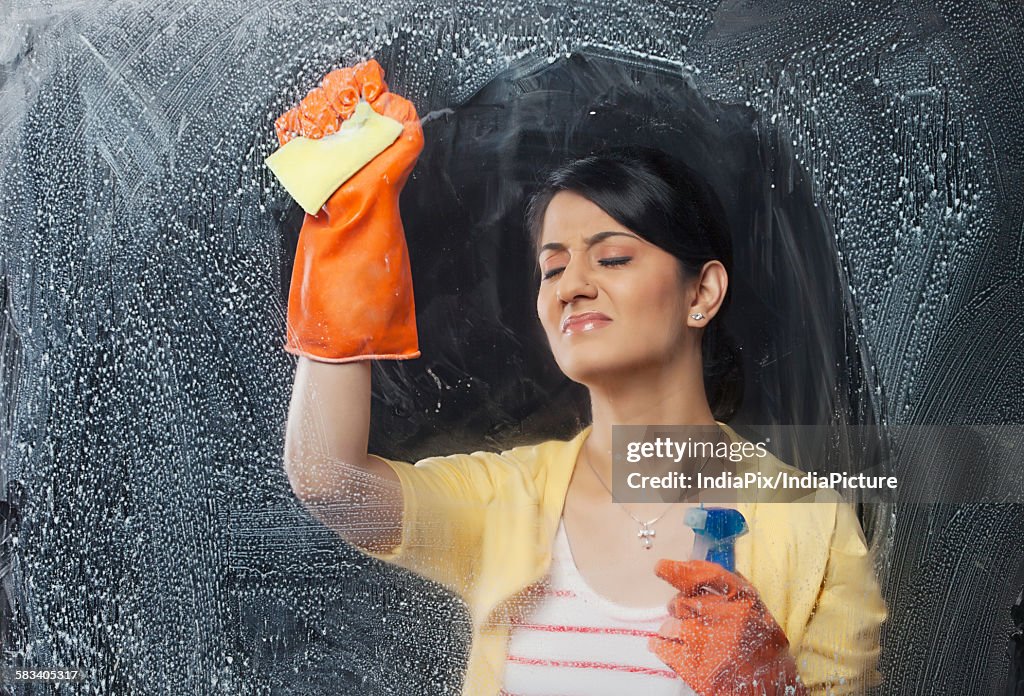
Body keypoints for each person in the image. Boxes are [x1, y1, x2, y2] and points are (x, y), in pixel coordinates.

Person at [279, 59, 887, 696]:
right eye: (551, 269)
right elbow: (330, 481)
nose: (571, 286)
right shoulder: (510, 503)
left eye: (613, 257)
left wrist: (772, 687)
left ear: (701, 292)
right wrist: (345, 235)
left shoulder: (811, 528)